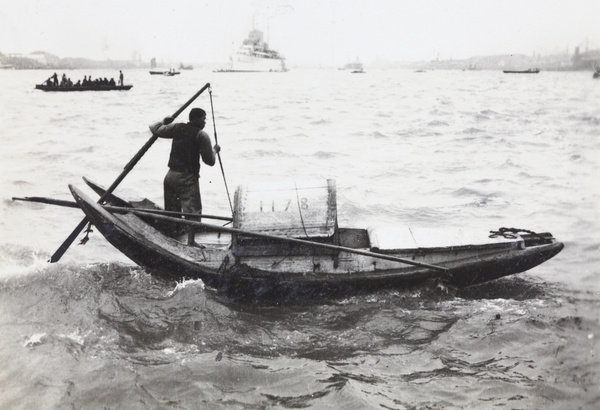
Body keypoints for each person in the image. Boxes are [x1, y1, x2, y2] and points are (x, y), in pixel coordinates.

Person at [149, 108, 220, 246]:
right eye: (203, 119)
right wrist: (215, 151)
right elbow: (210, 161)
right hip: (187, 179)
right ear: (196, 119)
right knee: (193, 211)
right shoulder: (202, 135)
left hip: (170, 177)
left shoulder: (177, 127)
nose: (205, 122)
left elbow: (154, 128)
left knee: (171, 211)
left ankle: (171, 240)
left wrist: (164, 121)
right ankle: (191, 241)